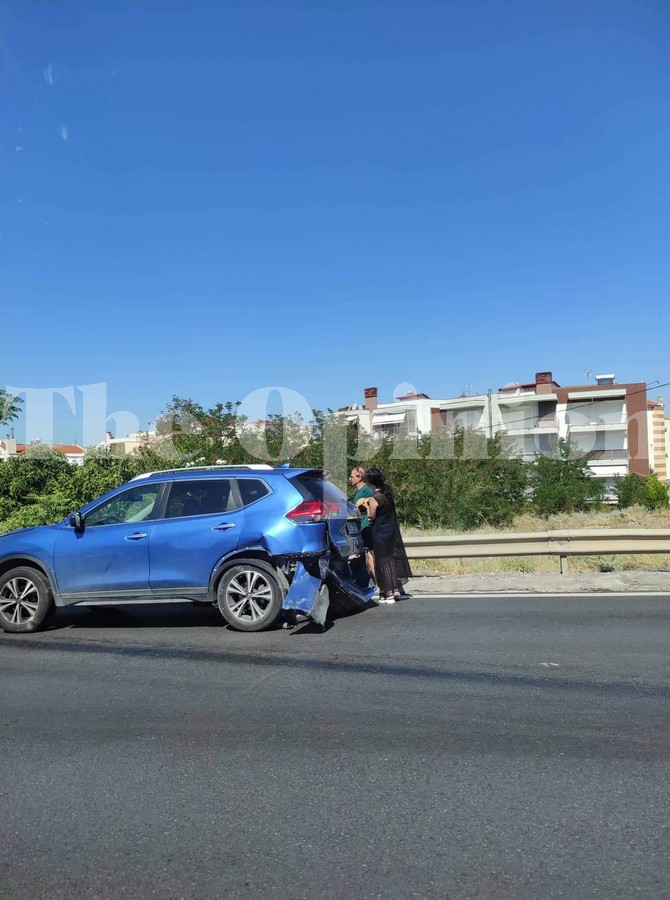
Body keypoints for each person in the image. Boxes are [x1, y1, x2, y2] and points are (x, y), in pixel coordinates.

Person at [364, 467, 412, 604]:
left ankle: (388, 593)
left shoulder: (374, 497)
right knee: (390, 561)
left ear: (370, 481)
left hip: (379, 532)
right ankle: (393, 590)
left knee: (382, 562)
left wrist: (367, 507)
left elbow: (371, 516)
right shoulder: (387, 493)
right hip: (390, 530)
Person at [349, 466, 375, 590]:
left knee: (370, 556)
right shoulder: (359, 492)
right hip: (360, 528)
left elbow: (375, 502)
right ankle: (368, 583)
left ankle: (380, 585)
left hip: (367, 526)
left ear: (359, 477)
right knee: (364, 557)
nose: (350, 479)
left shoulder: (367, 491)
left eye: (352, 476)